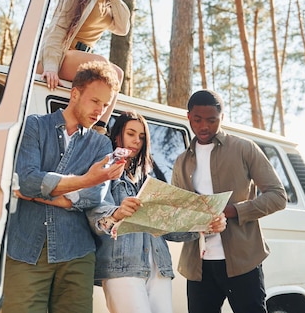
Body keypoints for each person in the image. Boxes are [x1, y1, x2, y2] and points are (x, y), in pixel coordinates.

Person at [2, 61, 125, 313]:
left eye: (105, 104)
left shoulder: (101, 146)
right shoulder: (35, 126)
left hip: (77, 253)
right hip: (25, 249)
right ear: (75, 93)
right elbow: (26, 179)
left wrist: (35, 195)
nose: (100, 111)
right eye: (95, 101)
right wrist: (85, 180)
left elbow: (93, 198)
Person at [86, 111, 227, 313]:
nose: (136, 141)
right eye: (131, 134)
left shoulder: (149, 179)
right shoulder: (105, 172)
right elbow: (96, 215)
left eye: (142, 137)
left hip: (159, 266)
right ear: (117, 136)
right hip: (123, 267)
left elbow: (169, 228)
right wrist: (117, 212)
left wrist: (205, 226)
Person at [171, 90, 288, 313]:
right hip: (198, 265)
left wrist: (233, 211)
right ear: (188, 118)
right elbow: (178, 212)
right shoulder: (181, 162)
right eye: (197, 120)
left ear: (222, 118)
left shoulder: (245, 148)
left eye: (212, 120)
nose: (204, 126)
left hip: (243, 261)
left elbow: (277, 196)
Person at [37, 0, 131, 134]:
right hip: (62, 55)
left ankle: (98, 130)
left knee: (118, 74)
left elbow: (123, 27)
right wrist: (51, 67)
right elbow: (58, 28)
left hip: (83, 59)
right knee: (103, 64)